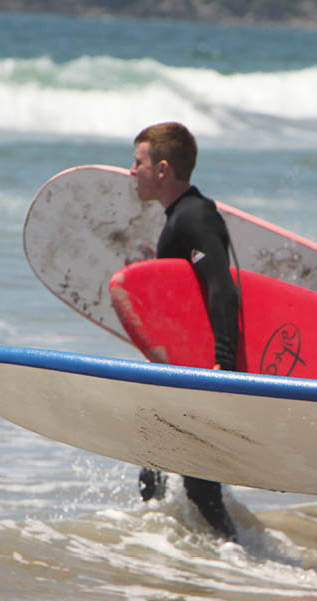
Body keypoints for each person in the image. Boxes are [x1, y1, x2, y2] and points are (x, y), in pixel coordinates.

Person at [129, 121, 239, 540]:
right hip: (186, 367)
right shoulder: (181, 216)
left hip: (205, 368)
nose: (131, 171)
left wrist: (223, 363)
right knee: (158, 472)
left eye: (137, 162)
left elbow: (221, 287)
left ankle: (233, 555)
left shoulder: (195, 215)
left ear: (162, 169)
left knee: (194, 481)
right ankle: (201, 551)